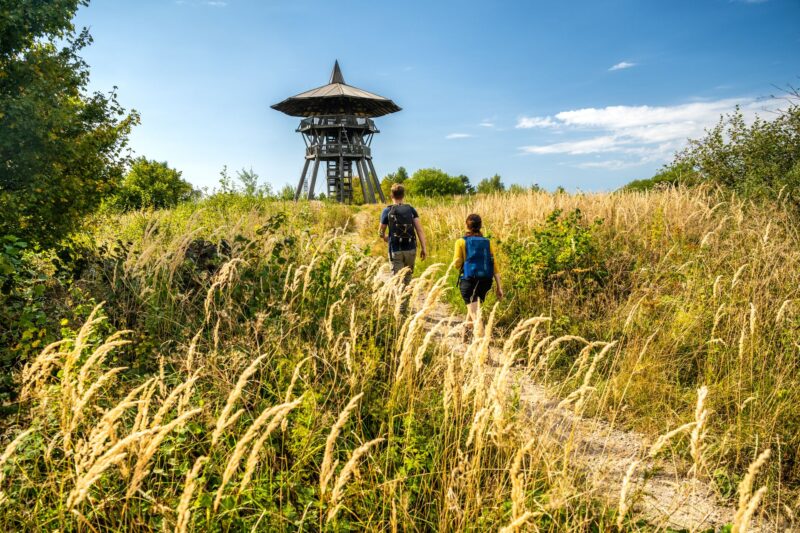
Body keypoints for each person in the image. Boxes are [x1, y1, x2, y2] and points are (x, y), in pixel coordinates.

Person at [452, 213, 503, 333]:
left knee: (476, 318)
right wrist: (499, 287)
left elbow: (456, 264)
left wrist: (465, 263)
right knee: (473, 309)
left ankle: (483, 345)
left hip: (469, 281)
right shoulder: (487, 242)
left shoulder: (461, 242)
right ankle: (465, 336)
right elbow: (494, 265)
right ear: (480, 226)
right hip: (485, 283)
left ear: (467, 225)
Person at [379, 183, 428, 289]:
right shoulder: (411, 210)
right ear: (403, 195)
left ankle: (401, 305)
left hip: (395, 250)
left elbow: (381, 231)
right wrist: (424, 248)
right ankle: (405, 303)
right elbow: (419, 230)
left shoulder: (387, 211)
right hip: (411, 250)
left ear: (391, 196)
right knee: (407, 279)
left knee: (397, 281)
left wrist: (384, 237)